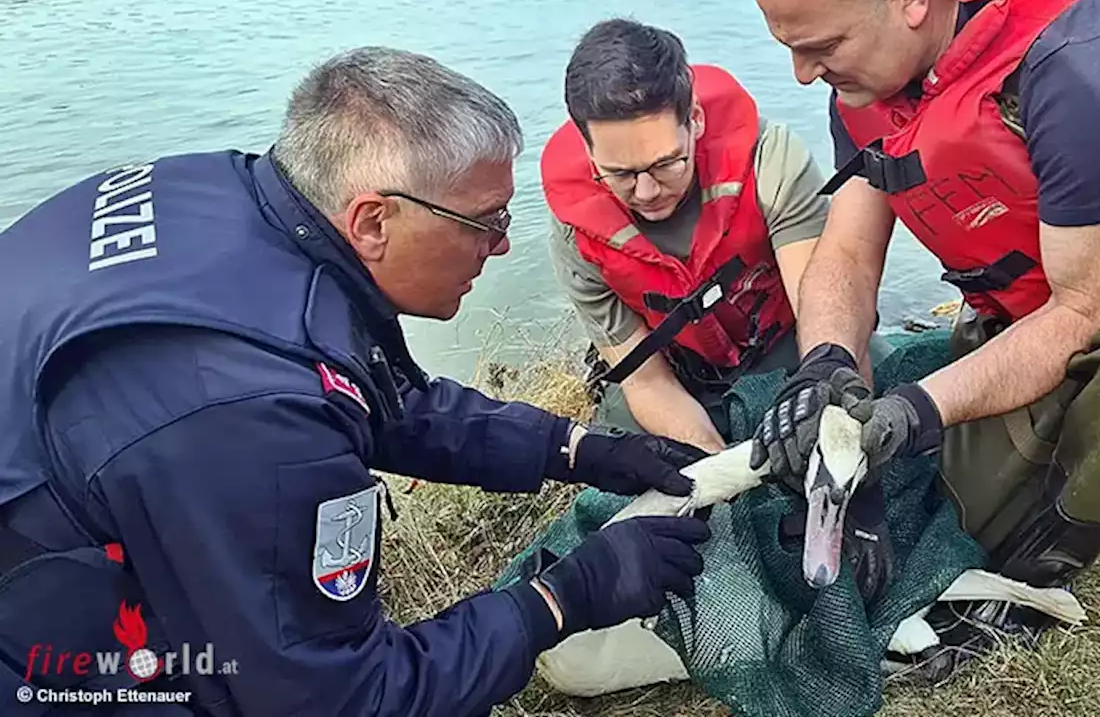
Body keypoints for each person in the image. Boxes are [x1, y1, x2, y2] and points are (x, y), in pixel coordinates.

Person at [0, 46, 717, 716]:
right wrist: (562, 598)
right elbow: (344, 696)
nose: (502, 244)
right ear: (373, 221)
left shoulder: (232, 199)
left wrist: (576, 448)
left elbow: (375, 394)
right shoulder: (252, 416)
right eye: (485, 221)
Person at [749, 0, 1100, 666]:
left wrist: (916, 409)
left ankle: (1039, 577)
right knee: (966, 518)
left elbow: (1090, 308)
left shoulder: (1095, 62)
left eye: (822, 45)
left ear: (913, 3)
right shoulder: (867, 84)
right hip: (1069, 290)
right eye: (789, 47)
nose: (800, 73)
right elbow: (848, 254)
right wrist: (825, 364)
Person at [541, 18, 891, 454]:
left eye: (667, 163)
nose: (647, 191)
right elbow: (647, 382)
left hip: (787, 344)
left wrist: (826, 415)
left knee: (859, 384)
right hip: (678, 375)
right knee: (628, 463)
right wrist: (722, 472)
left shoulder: (771, 162)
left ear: (697, 120)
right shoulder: (576, 234)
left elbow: (822, 313)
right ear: (587, 148)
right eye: (621, 174)